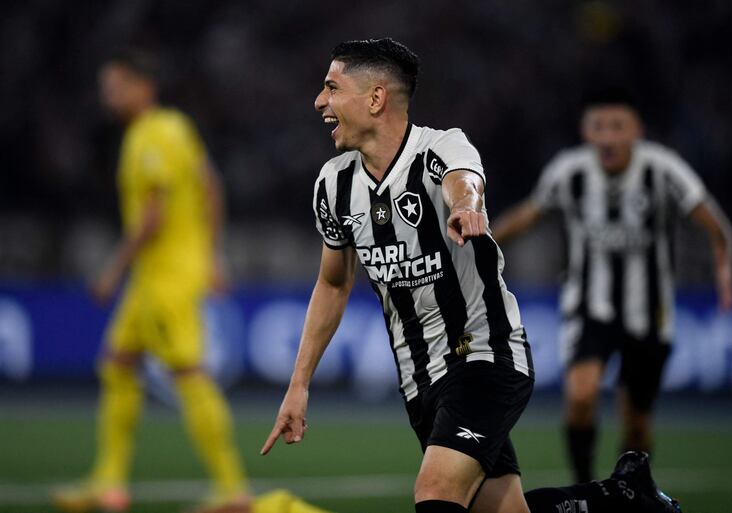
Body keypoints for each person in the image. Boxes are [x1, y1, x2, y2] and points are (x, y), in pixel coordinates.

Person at [261, 38, 681, 513]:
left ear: (375, 98)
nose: (320, 101)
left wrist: (465, 206)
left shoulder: (440, 147)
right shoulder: (333, 184)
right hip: (421, 378)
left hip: (484, 354)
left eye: (331, 88)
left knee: (436, 491)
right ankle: (622, 496)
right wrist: (299, 384)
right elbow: (334, 283)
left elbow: (464, 178)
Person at [492, 87, 732, 484]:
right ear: (586, 131)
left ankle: (629, 490)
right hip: (589, 306)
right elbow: (530, 213)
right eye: (598, 126)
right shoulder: (568, 171)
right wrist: (485, 241)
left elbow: (714, 225)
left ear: (636, 130)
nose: (607, 136)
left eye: (617, 126)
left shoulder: (663, 169)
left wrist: (724, 270)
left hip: (650, 312)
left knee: (637, 422)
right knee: (581, 396)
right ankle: (586, 486)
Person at [52, 49, 248, 512]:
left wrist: (111, 269)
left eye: (116, 86)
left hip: (166, 279)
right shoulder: (175, 127)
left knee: (189, 373)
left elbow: (152, 219)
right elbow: (210, 185)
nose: (108, 96)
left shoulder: (151, 136)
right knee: (118, 364)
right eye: (106, 87)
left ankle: (232, 488)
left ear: (143, 86)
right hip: (163, 275)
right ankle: (109, 483)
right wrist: (214, 254)